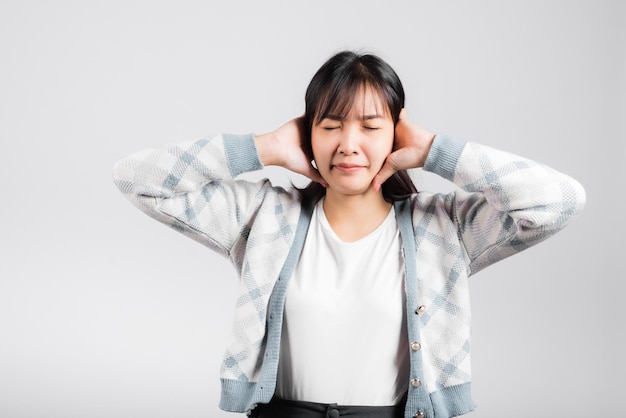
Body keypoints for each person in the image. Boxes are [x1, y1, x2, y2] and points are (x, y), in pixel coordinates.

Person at [113, 50, 586, 418]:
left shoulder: (444, 228)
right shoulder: (263, 216)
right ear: (308, 134)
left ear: (397, 136)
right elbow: (138, 180)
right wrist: (267, 148)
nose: (348, 144)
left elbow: (558, 202)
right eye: (331, 125)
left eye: (370, 126)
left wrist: (437, 151)